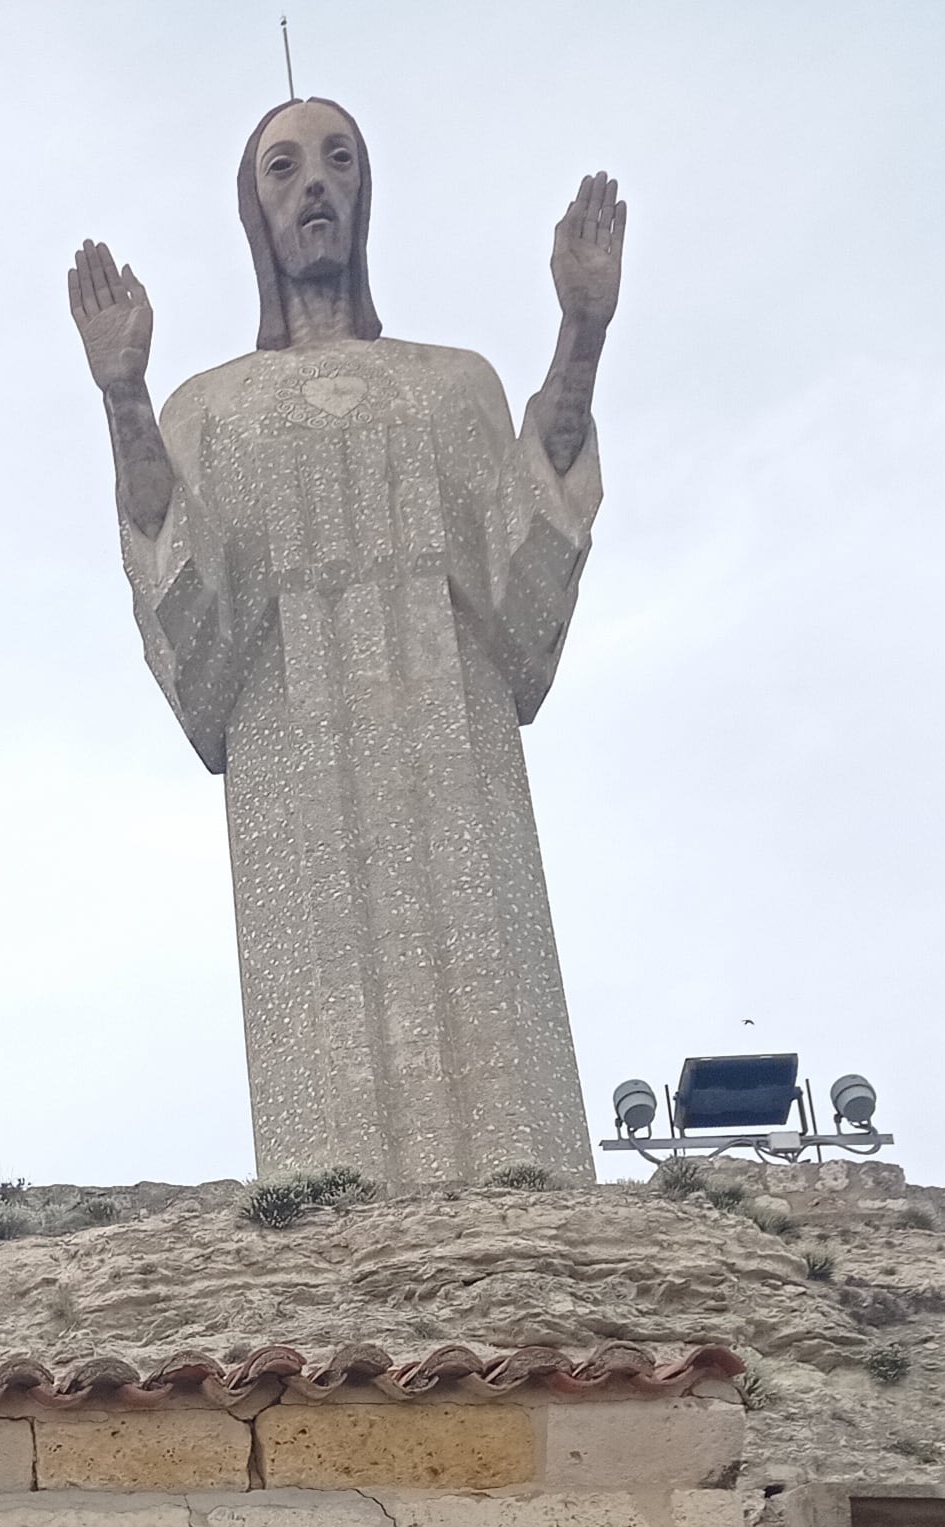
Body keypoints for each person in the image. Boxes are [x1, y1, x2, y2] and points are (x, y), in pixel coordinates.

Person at [66, 102, 625, 1188]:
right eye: (284, 168)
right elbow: (177, 582)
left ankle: (524, 1207)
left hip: (454, 745)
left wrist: (583, 332)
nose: (313, 183)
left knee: (497, 1069)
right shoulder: (207, 408)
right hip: (291, 763)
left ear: (364, 195)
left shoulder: (448, 384)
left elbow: (525, 546)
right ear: (253, 209)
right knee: (326, 1118)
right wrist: (124, 396)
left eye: (337, 161)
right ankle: (326, 1216)